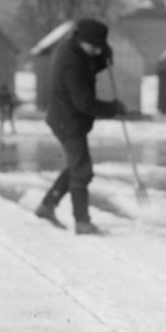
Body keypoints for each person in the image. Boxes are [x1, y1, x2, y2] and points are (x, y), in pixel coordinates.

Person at [34, 18, 125, 235]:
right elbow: (85, 102)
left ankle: (47, 206)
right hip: (68, 120)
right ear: (83, 40)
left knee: (76, 166)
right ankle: (82, 222)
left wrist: (103, 57)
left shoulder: (76, 50)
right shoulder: (71, 62)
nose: (96, 51)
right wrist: (113, 108)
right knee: (82, 170)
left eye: (99, 47)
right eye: (94, 46)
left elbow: (90, 64)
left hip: (68, 118)